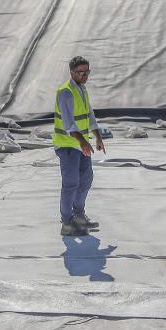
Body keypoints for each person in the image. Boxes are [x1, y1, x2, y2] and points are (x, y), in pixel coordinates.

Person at [54, 56, 105, 236]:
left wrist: (97, 136)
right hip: (68, 145)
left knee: (85, 180)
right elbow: (68, 124)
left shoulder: (82, 90)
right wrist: (83, 142)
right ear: (72, 73)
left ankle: (79, 216)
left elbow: (89, 115)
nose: (84, 75)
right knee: (71, 184)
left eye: (87, 72)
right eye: (80, 72)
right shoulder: (66, 92)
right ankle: (67, 223)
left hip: (82, 145)